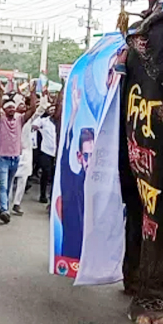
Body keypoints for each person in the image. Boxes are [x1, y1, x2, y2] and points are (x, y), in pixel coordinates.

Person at [53, 83, 93, 258]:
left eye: (94, 155)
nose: (90, 162)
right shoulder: (72, 181)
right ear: (79, 156)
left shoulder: (104, 187)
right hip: (71, 253)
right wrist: (74, 112)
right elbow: (64, 151)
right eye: (86, 156)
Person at [0, 83, 34, 223]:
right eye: (8, 107)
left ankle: (1, 206)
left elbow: (33, 110)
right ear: (5, 110)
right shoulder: (0, 120)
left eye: (13, 107)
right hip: (2, 158)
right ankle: (5, 210)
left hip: (15, 158)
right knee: (4, 185)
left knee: (9, 184)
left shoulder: (20, 120)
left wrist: (33, 94)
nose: (11, 109)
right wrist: (0, 93)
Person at [33, 104, 58, 204]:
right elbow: (33, 125)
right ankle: (42, 194)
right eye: (51, 110)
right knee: (46, 173)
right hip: (46, 151)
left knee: (54, 175)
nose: (53, 111)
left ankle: (53, 196)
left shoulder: (61, 123)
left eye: (55, 109)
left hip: (57, 153)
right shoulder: (44, 121)